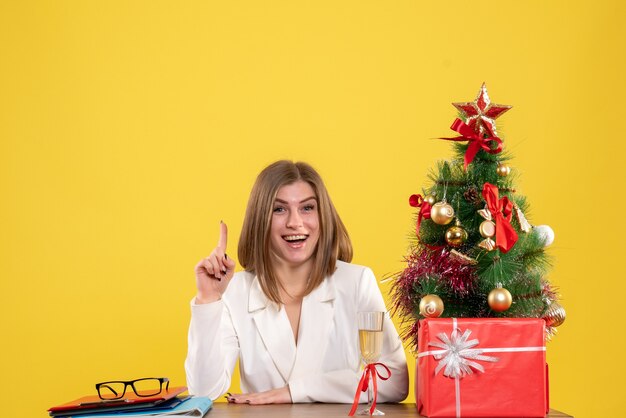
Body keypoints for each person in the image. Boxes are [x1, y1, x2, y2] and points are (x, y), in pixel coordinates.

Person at [185, 160, 408, 405]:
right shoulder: (235, 292)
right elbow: (204, 391)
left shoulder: (356, 282)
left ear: (322, 216)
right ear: (260, 219)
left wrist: (295, 391)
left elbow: (394, 381)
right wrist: (208, 299)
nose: (295, 222)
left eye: (307, 208)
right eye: (279, 209)